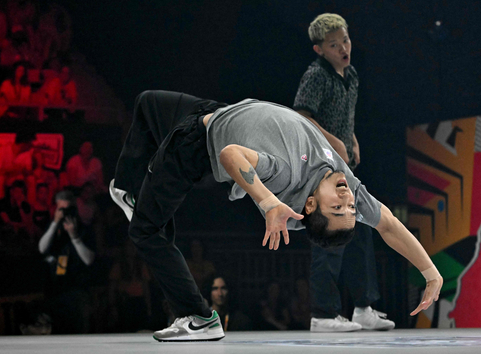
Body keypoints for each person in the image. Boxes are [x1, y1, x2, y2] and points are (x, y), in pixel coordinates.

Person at [109, 90, 442, 342]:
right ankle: (126, 189)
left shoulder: (287, 175)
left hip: (195, 142)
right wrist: (430, 272)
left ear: (310, 205)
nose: (347, 199)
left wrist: (268, 202)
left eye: (337, 208)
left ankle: (198, 317)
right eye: (350, 208)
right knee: (146, 102)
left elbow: (230, 155)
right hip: (215, 111)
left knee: (146, 229)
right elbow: (388, 224)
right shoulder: (348, 185)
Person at [293, 13, 394, 332]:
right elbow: (301, 118)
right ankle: (323, 313)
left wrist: (351, 138)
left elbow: (344, 115)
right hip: (320, 167)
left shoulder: (351, 74)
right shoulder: (316, 75)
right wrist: (334, 140)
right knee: (331, 235)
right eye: (334, 45)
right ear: (319, 50)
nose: (343, 48)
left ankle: (363, 306)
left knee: (361, 228)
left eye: (345, 41)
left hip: (344, 166)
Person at [38, 190, 95, 334]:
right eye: (60, 209)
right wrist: (55, 223)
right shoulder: (53, 230)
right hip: (56, 291)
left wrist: (74, 237)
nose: (64, 213)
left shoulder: (84, 229)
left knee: (79, 334)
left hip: (77, 292)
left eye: (67, 209)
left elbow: (89, 259)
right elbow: (42, 248)